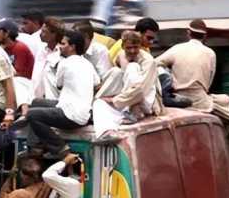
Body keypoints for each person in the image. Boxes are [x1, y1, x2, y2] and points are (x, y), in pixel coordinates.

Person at [20, 30, 99, 158]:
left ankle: (59, 147)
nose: (59, 47)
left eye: (63, 44)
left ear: (72, 47)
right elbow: (97, 83)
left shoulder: (65, 63)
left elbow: (59, 85)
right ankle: (35, 146)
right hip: (84, 113)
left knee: (31, 114)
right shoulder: (88, 64)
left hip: (69, 115)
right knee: (36, 102)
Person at [155, 19, 229, 127]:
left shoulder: (177, 49)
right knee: (227, 103)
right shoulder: (210, 53)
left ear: (188, 33)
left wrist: (166, 79)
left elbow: (154, 64)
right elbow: (209, 82)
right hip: (201, 101)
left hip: (176, 98)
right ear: (205, 36)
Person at [93, 31, 162, 137]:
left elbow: (141, 90)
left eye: (136, 47)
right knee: (115, 72)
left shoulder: (148, 61)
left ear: (140, 46)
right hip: (127, 97)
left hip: (146, 99)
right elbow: (119, 76)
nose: (133, 51)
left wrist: (115, 100)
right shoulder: (121, 55)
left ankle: (132, 111)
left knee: (132, 67)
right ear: (123, 46)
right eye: (129, 48)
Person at [32, 17, 64, 100]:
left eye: (44, 32)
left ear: (54, 34)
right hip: (35, 97)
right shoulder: (40, 50)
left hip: (53, 99)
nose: (40, 34)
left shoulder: (61, 54)